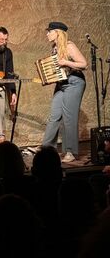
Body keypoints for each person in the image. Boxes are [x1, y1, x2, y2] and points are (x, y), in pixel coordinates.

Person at [41, 22, 87, 163]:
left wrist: (66, 63)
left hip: (74, 82)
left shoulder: (69, 46)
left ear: (57, 32)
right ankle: (46, 149)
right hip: (62, 83)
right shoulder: (54, 47)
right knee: (54, 115)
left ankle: (71, 152)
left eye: (50, 31)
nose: (47, 34)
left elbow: (83, 64)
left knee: (69, 117)